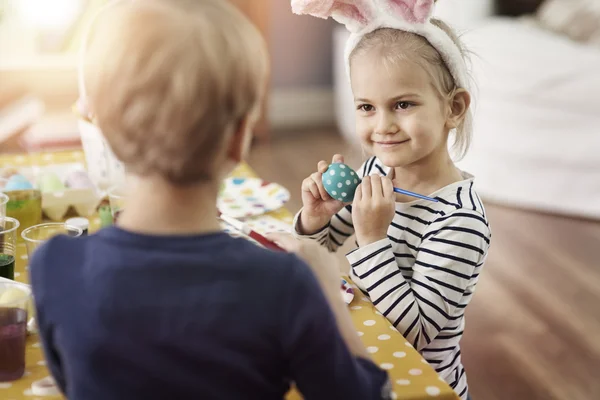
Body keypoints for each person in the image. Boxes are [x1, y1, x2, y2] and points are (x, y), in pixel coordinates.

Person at [28, 1, 391, 399]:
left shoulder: (53, 266)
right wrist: (326, 290)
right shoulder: (285, 284)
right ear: (238, 140)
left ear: (102, 130)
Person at [291, 1, 492, 398]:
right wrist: (315, 220)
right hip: (367, 364)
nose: (382, 126)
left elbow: (412, 334)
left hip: (420, 385)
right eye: (367, 107)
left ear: (453, 108)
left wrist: (371, 240)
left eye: (403, 104)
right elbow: (314, 254)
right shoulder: (376, 172)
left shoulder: (460, 221)